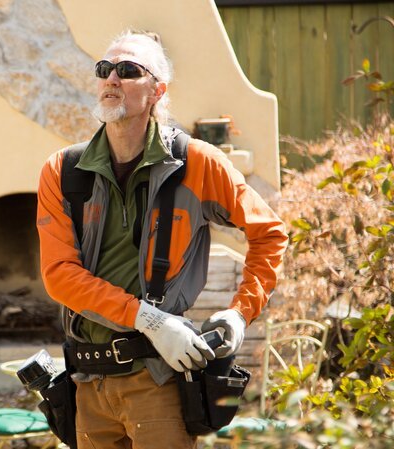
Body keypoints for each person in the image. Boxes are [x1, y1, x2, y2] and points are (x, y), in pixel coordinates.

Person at [36, 30, 288, 449]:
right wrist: (149, 319)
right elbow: (59, 276)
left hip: (157, 380)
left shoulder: (198, 162)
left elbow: (269, 233)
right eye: (105, 69)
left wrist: (241, 314)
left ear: (157, 90)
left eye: (129, 70)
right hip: (85, 382)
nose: (112, 78)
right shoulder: (62, 170)